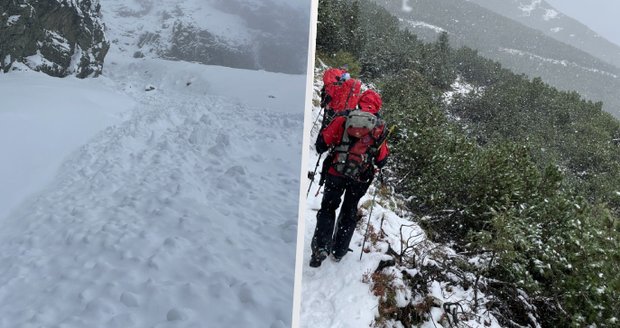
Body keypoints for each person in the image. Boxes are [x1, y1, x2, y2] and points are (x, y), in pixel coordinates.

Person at [310, 89, 389, 267]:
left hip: (335, 172)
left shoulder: (343, 119)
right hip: (360, 178)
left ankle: (321, 247)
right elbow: (382, 160)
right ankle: (339, 251)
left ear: (359, 101)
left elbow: (321, 145)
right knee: (349, 210)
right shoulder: (379, 127)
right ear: (378, 106)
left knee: (328, 208)